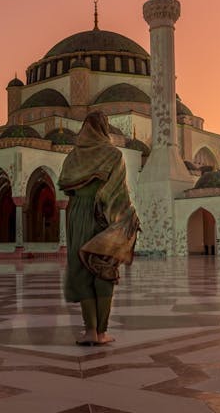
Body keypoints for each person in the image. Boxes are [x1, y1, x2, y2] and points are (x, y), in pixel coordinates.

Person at [59, 111, 139, 346]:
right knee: (103, 270)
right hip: (105, 216)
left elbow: (67, 188)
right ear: (104, 129)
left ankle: (90, 331)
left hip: (77, 215)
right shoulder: (113, 155)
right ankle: (102, 332)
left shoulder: (73, 157)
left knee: (81, 270)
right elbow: (118, 192)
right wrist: (125, 219)